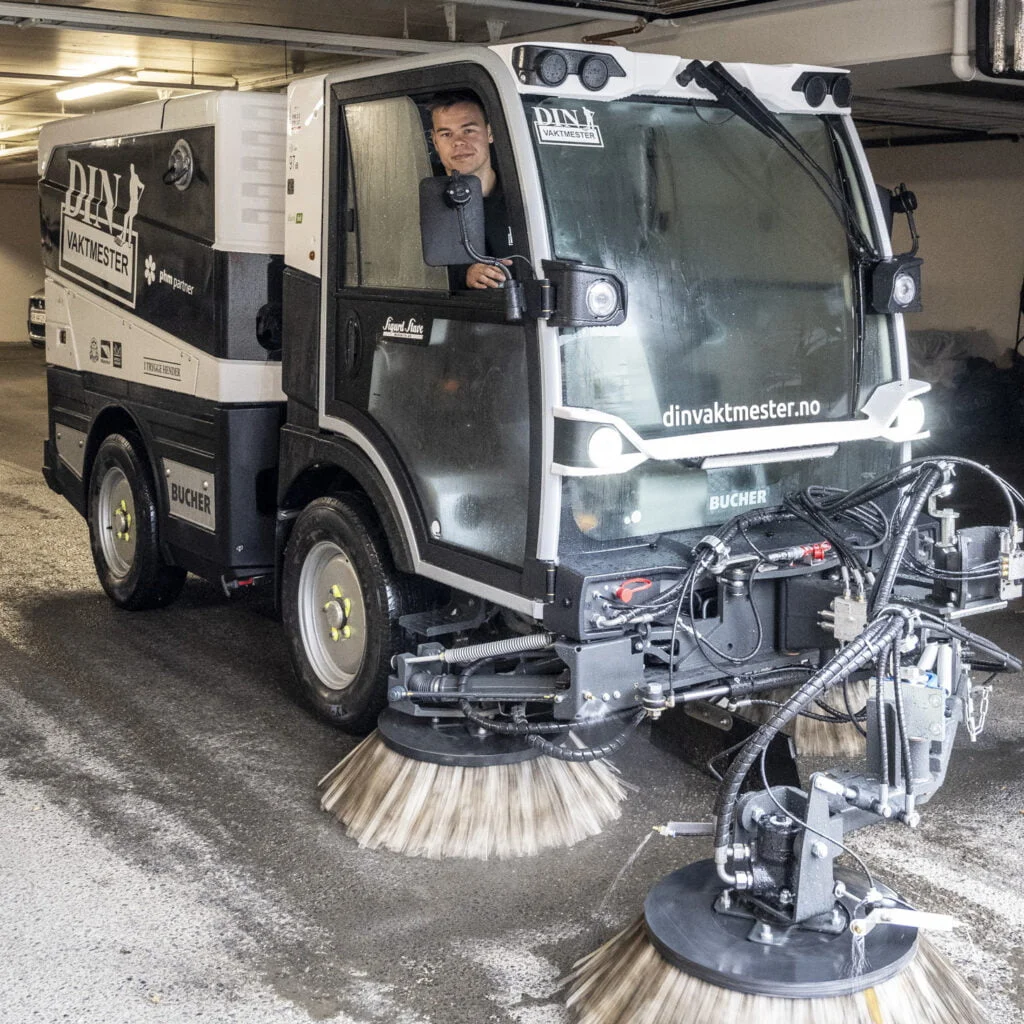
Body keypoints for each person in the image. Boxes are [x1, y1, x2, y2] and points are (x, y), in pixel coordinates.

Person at [427, 91, 513, 290]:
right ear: (435, 142)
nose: (458, 142)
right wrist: (464, 275)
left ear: (490, 132)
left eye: (468, 131)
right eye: (446, 134)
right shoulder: (422, 200)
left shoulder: (523, 193)